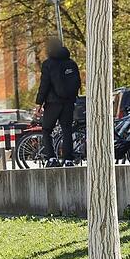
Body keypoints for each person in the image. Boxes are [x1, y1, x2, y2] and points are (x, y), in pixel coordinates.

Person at [34, 37, 81, 167]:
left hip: (53, 103)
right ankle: (68, 159)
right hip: (69, 102)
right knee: (67, 130)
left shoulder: (48, 64)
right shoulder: (71, 63)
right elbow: (77, 83)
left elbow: (45, 85)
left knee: (46, 130)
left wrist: (39, 103)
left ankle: (51, 158)